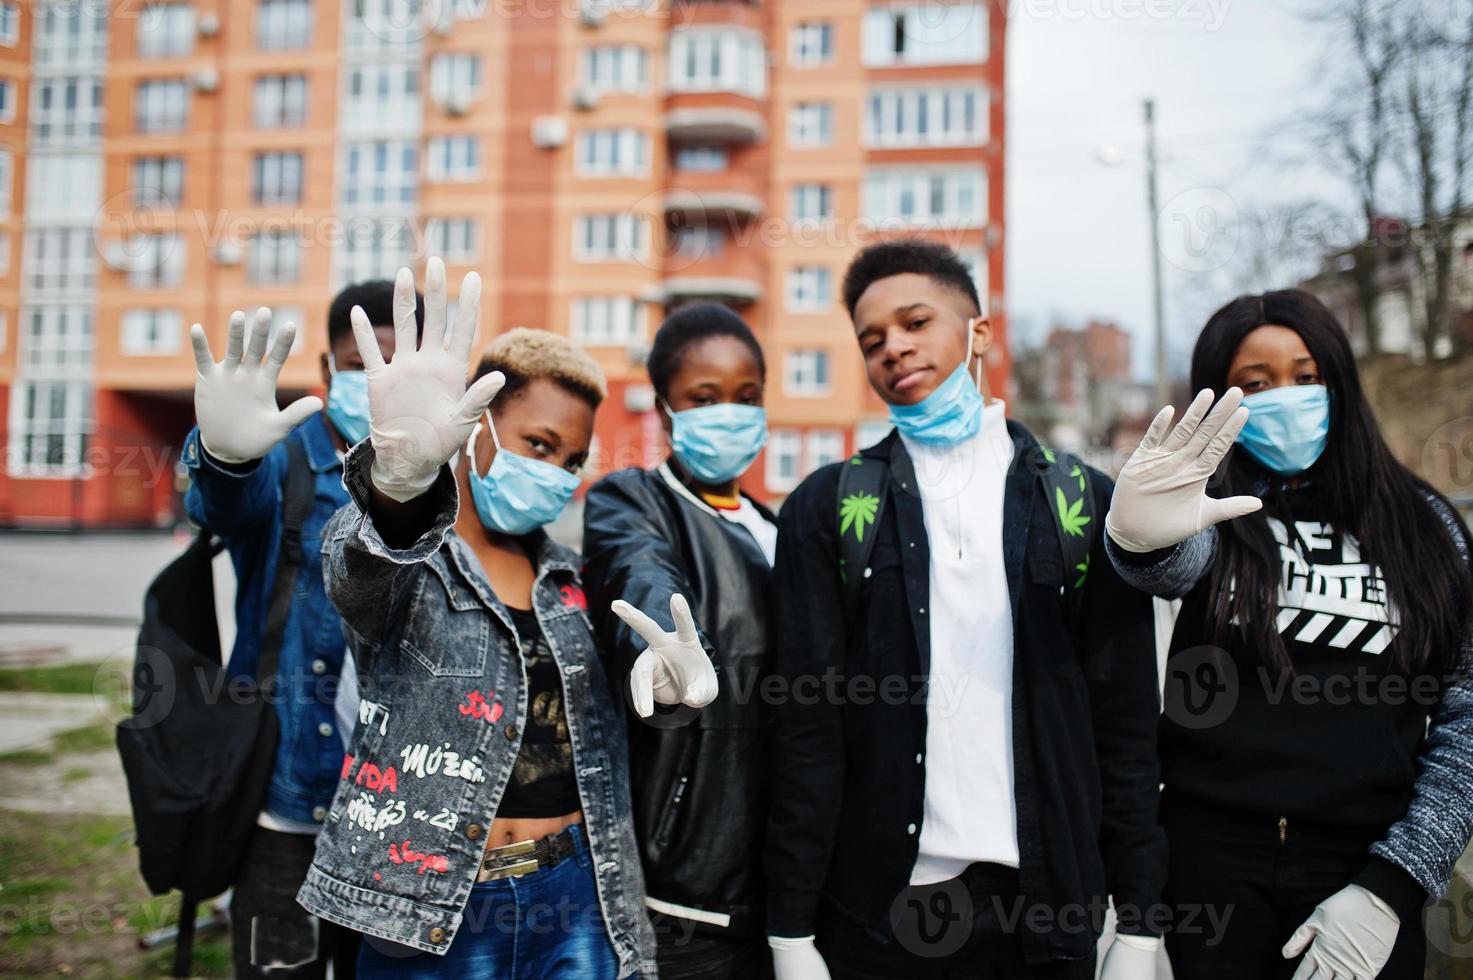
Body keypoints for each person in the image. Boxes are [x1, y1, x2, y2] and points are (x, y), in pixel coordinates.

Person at [292, 259, 717, 978]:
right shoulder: (407, 560)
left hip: (575, 894)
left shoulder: (569, 579)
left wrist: (670, 697)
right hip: (432, 909)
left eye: (573, 458)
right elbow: (357, 572)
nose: (556, 472)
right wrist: (397, 489)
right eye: (539, 445)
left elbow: (603, 728)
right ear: (477, 427)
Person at [764, 239, 1166, 980]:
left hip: (1047, 910)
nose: (895, 348)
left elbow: (1125, 723)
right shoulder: (827, 508)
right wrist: (790, 929)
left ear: (979, 332)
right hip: (883, 916)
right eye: (872, 339)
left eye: (915, 321)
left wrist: (1139, 923)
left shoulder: (1080, 504)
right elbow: (806, 730)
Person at [1104, 289, 1473, 979]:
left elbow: (1466, 716)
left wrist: (1393, 884)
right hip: (1207, 873)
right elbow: (1160, 567)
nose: (1287, 397)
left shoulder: (1427, 527)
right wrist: (1134, 536)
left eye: (1306, 377)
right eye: (1255, 382)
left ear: (1340, 381)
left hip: (1365, 864)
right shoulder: (1205, 516)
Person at [184, 279, 421, 978]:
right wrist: (226, 457)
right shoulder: (285, 460)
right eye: (356, 363)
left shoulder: (442, 485)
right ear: (324, 371)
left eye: (390, 367)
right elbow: (220, 505)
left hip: (396, 806)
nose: (372, 382)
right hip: (284, 797)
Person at [582, 302, 778, 978]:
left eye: (746, 397)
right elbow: (639, 570)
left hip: (785, 890)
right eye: (704, 397)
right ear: (665, 410)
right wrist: (662, 653)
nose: (729, 412)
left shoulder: (779, 527)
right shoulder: (633, 501)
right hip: (684, 894)